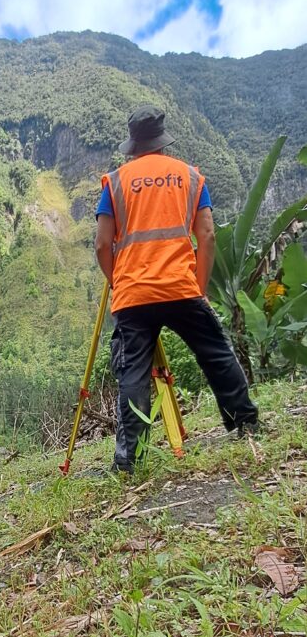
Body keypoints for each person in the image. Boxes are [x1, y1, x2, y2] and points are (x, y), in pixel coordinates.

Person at [95, 104, 259, 473]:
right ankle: (245, 422)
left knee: (133, 374)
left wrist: (118, 280)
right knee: (215, 353)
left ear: (133, 144)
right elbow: (208, 235)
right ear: (163, 141)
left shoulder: (116, 181)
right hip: (182, 288)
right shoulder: (191, 177)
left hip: (134, 294)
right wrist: (199, 287)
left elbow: (103, 245)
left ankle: (130, 459)